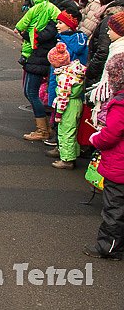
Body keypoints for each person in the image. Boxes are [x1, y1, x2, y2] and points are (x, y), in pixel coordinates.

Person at [85, 52, 124, 261]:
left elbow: (111, 135)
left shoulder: (120, 104)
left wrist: (96, 138)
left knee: (114, 209)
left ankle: (108, 247)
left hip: (119, 166)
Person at [45, 42, 86, 169]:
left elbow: (63, 96)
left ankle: (67, 159)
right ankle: (73, 153)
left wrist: (58, 113)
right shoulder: (75, 70)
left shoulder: (65, 77)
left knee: (65, 132)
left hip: (68, 106)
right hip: (76, 102)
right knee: (73, 130)